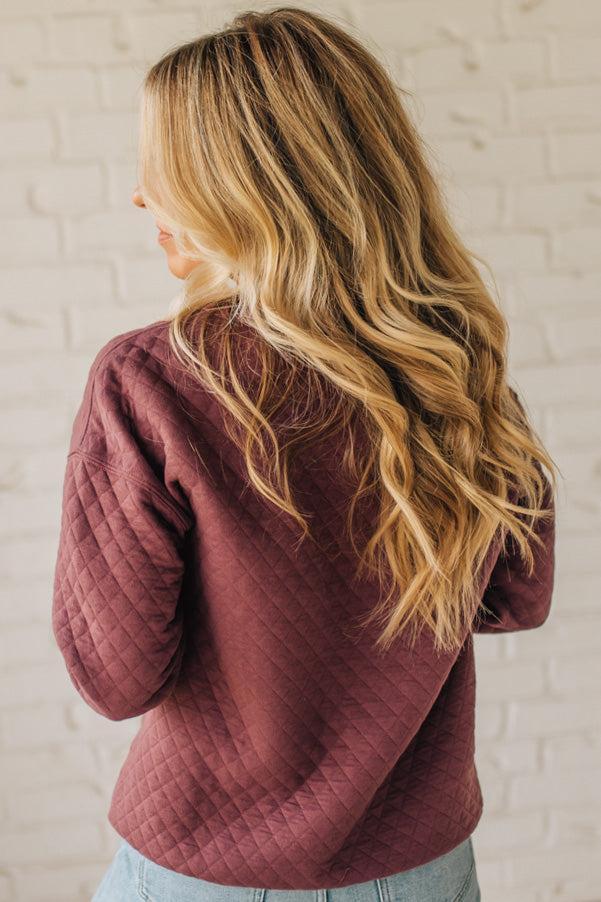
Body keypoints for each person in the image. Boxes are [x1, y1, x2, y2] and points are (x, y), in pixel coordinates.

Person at [51, 7, 559, 901]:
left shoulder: (150, 382)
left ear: (246, 187)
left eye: (164, 169)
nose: (141, 196)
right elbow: (513, 599)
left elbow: (116, 678)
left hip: (205, 872)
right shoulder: (453, 369)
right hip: (424, 872)